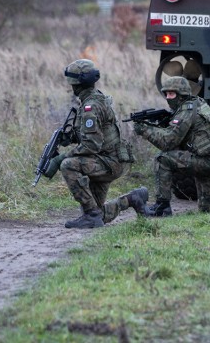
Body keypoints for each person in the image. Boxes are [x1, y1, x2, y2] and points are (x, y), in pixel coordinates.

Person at [42, 59, 148, 229]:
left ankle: (91, 215)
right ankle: (132, 199)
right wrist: (72, 138)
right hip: (108, 159)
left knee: (68, 165)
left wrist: (59, 159)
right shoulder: (96, 98)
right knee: (99, 215)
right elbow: (96, 136)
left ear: (76, 85)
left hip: (109, 162)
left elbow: (91, 146)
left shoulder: (91, 107)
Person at [133, 76, 210, 217]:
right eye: (166, 94)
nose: (169, 98)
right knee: (209, 207)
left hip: (208, 161)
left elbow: (168, 142)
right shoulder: (197, 103)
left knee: (162, 158)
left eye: (172, 94)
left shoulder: (186, 110)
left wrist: (144, 130)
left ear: (182, 95)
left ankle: (162, 206)